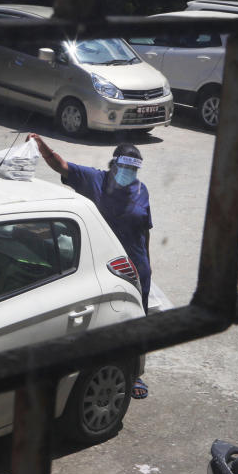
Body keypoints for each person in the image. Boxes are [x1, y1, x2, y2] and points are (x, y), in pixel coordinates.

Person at [28, 134, 153, 399]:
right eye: (125, 167)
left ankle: (134, 374)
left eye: (133, 169)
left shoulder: (142, 191)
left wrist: (147, 267)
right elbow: (62, 166)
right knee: (107, 319)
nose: (128, 173)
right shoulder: (94, 180)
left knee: (135, 320)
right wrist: (41, 146)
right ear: (114, 165)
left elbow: (145, 231)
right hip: (104, 265)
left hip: (136, 266)